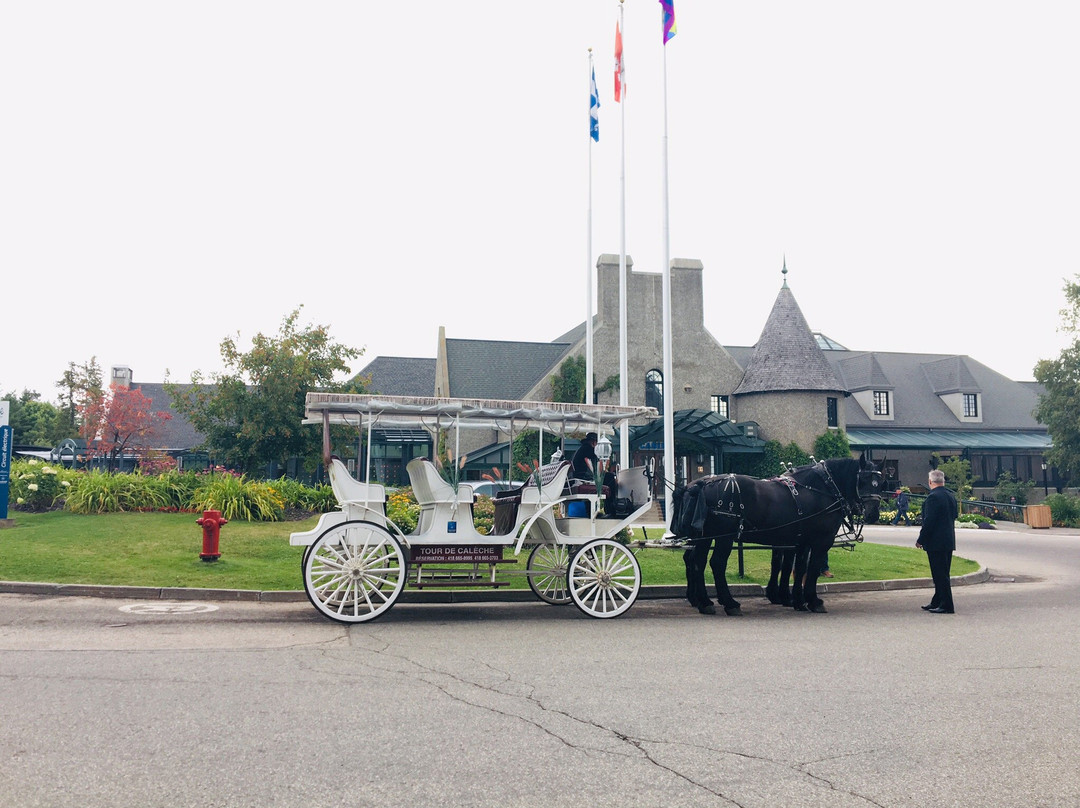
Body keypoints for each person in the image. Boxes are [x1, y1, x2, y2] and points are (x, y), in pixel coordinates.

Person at [916, 469, 957, 614]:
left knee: (939, 574)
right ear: (943, 481)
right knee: (943, 572)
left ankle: (946, 604)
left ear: (930, 482)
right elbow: (954, 515)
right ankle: (937, 600)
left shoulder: (933, 497)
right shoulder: (950, 496)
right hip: (948, 540)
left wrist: (921, 539)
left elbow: (929, 521)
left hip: (936, 542)